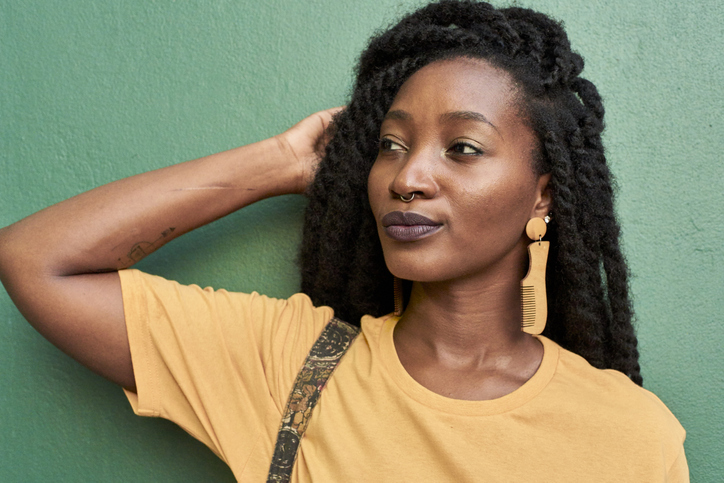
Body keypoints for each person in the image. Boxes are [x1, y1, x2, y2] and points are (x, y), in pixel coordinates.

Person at [0, 0, 688, 481]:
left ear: (544, 193)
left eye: (463, 148)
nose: (408, 175)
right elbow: (36, 260)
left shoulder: (632, 435)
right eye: (389, 144)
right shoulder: (288, 365)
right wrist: (279, 163)